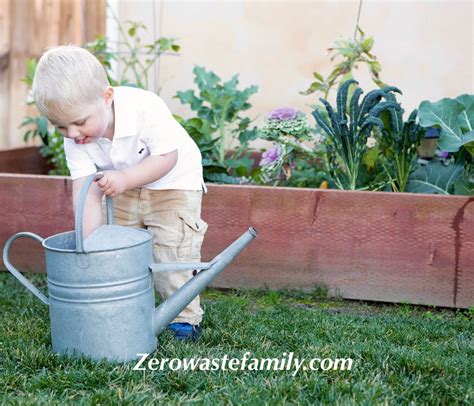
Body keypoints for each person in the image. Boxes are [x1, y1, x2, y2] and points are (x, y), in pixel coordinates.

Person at [32, 45, 207, 340]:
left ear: (107, 97)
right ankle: (126, 306)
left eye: (79, 122)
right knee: (120, 248)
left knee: (171, 253)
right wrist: (87, 245)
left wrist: (125, 178)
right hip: (123, 185)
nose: (72, 134)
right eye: (61, 126)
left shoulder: (144, 108)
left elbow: (167, 157)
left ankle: (184, 320)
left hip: (173, 183)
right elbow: (85, 192)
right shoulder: (77, 139)